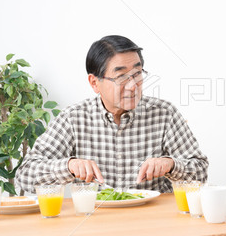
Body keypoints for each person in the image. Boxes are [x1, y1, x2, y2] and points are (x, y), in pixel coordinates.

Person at [16, 35, 209, 193]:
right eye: (121, 77)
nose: (133, 85)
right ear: (94, 83)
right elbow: (24, 177)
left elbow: (200, 174)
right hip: (94, 223)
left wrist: (170, 164)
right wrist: (68, 166)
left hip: (151, 222)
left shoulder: (164, 114)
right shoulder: (73, 118)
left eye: (137, 73)